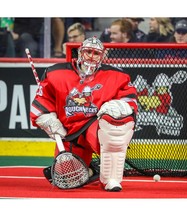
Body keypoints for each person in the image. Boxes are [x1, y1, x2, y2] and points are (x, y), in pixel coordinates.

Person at [30, 36, 138, 192]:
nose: (91, 56)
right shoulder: (55, 73)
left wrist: (118, 106)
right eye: (88, 52)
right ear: (80, 52)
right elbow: (40, 103)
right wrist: (48, 120)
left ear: (102, 56)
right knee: (67, 177)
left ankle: (111, 179)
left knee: (114, 128)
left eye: (96, 53)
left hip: (94, 126)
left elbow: (130, 101)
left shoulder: (117, 76)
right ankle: (93, 171)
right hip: (69, 131)